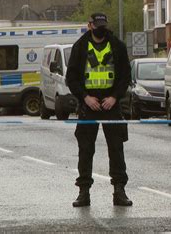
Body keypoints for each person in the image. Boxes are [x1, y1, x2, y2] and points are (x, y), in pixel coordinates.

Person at [66, 13, 133, 207]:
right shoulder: (80, 47)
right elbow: (71, 78)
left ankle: (119, 191)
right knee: (85, 150)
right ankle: (84, 192)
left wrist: (114, 97)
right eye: (97, 25)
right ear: (90, 26)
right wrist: (85, 98)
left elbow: (125, 76)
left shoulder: (117, 46)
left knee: (117, 149)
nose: (100, 28)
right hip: (89, 105)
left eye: (103, 25)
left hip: (111, 104)